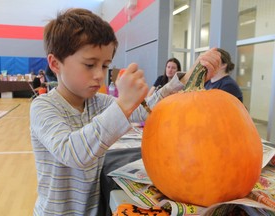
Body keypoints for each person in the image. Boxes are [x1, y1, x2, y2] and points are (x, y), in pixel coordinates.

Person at [30, 8, 221, 215]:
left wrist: (186, 79)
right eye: (89, 64)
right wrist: (123, 104)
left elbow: (144, 111)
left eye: (104, 66)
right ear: (55, 63)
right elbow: (73, 153)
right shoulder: (43, 106)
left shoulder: (97, 102)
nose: (99, 75)